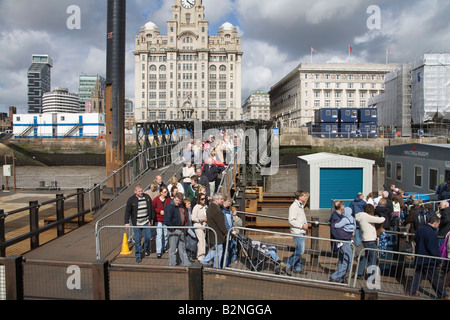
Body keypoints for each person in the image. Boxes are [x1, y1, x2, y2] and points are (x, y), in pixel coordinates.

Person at [406, 215, 449, 300]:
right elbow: (432, 248)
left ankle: (411, 290)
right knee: (434, 278)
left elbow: (416, 240)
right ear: (435, 223)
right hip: (429, 259)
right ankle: (443, 295)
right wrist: (438, 259)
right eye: (438, 224)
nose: (438, 226)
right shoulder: (431, 233)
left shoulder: (420, 229)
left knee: (418, 275)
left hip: (420, 256)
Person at [124, 184, 155, 263]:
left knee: (147, 238)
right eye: (139, 191)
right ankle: (138, 255)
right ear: (135, 192)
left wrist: (151, 219)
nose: (141, 192)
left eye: (142, 191)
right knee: (137, 240)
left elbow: (151, 209)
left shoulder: (147, 197)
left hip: (146, 222)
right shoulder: (131, 200)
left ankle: (146, 248)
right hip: (137, 223)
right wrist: (126, 222)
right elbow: (127, 212)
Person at [355, 204, 385, 279]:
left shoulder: (361, 216)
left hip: (365, 239)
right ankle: (371, 276)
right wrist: (382, 216)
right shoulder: (366, 217)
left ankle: (359, 273)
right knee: (373, 258)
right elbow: (381, 220)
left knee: (366, 257)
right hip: (370, 240)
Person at [201, 193, 229, 268]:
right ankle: (216, 268)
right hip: (217, 234)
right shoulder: (216, 210)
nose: (222, 200)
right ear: (216, 200)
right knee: (219, 252)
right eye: (221, 199)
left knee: (215, 250)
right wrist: (227, 232)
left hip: (214, 233)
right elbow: (220, 224)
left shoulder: (211, 207)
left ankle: (204, 261)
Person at [285, 190, 309, 276]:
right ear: (300, 197)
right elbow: (291, 220)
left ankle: (297, 268)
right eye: (304, 196)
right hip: (298, 231)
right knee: (300, 250)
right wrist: (302, 226)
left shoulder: (300, 206)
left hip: (301, 231)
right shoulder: (294, 206)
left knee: (299, 249)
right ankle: (287, 264)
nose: (306, 197)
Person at [329, 206, 355, 283]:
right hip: (345, 241)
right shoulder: (350, 219)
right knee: (347, 259)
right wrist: (351, 233)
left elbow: (337, 226)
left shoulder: (342, 218)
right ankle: (336, 276)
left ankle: (340, 277)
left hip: (344, 240)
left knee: (343, 259)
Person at [164, 193, 190, 267]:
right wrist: (173, 228)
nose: (178, 202)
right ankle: (172, 265)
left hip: (181, 229)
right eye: (177, 200)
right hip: (173, 231)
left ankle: (186, 264)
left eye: (180, 201)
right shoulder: (169, 207)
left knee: (182, 249)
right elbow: (167, 220)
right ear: (174, 198)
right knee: (172, 249)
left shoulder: (182, 206)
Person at [152, 186, 171, 258]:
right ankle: (158, 251)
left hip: (165, 219)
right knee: (159, 235)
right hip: (158, 219)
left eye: (167, 192)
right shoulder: (156, 199)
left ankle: (164, 247)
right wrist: (159, 211)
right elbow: (153, 208)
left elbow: (169, 208)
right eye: (165, 192)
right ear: (161, 192)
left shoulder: (168, 199)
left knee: (165, 234)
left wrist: (165, 211)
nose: (166, 193)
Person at [192, 194, 208, 262]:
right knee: (202, 241)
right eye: (202, 199)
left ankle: (199, 255)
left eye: (204, 199)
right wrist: (201, 219)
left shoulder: (206, 206)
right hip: (198, 225)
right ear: (199, 200)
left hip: (204, 226)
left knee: (201, 241)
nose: (204, 200)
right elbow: (193, 218)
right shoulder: (196, 207)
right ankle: (201, 257)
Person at [222, 196, 237, 266]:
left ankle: (227, 263)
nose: (229, 203)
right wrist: (230, 231)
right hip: (226, 232)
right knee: (226, 249)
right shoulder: (223, 211)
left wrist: (233, 228)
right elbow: (225, 223)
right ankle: (225, 264)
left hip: (230, 231)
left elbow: (231, 221)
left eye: (230, 201)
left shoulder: (230, 211)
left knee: (230, 247)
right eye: (228, 201)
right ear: (224, 202)